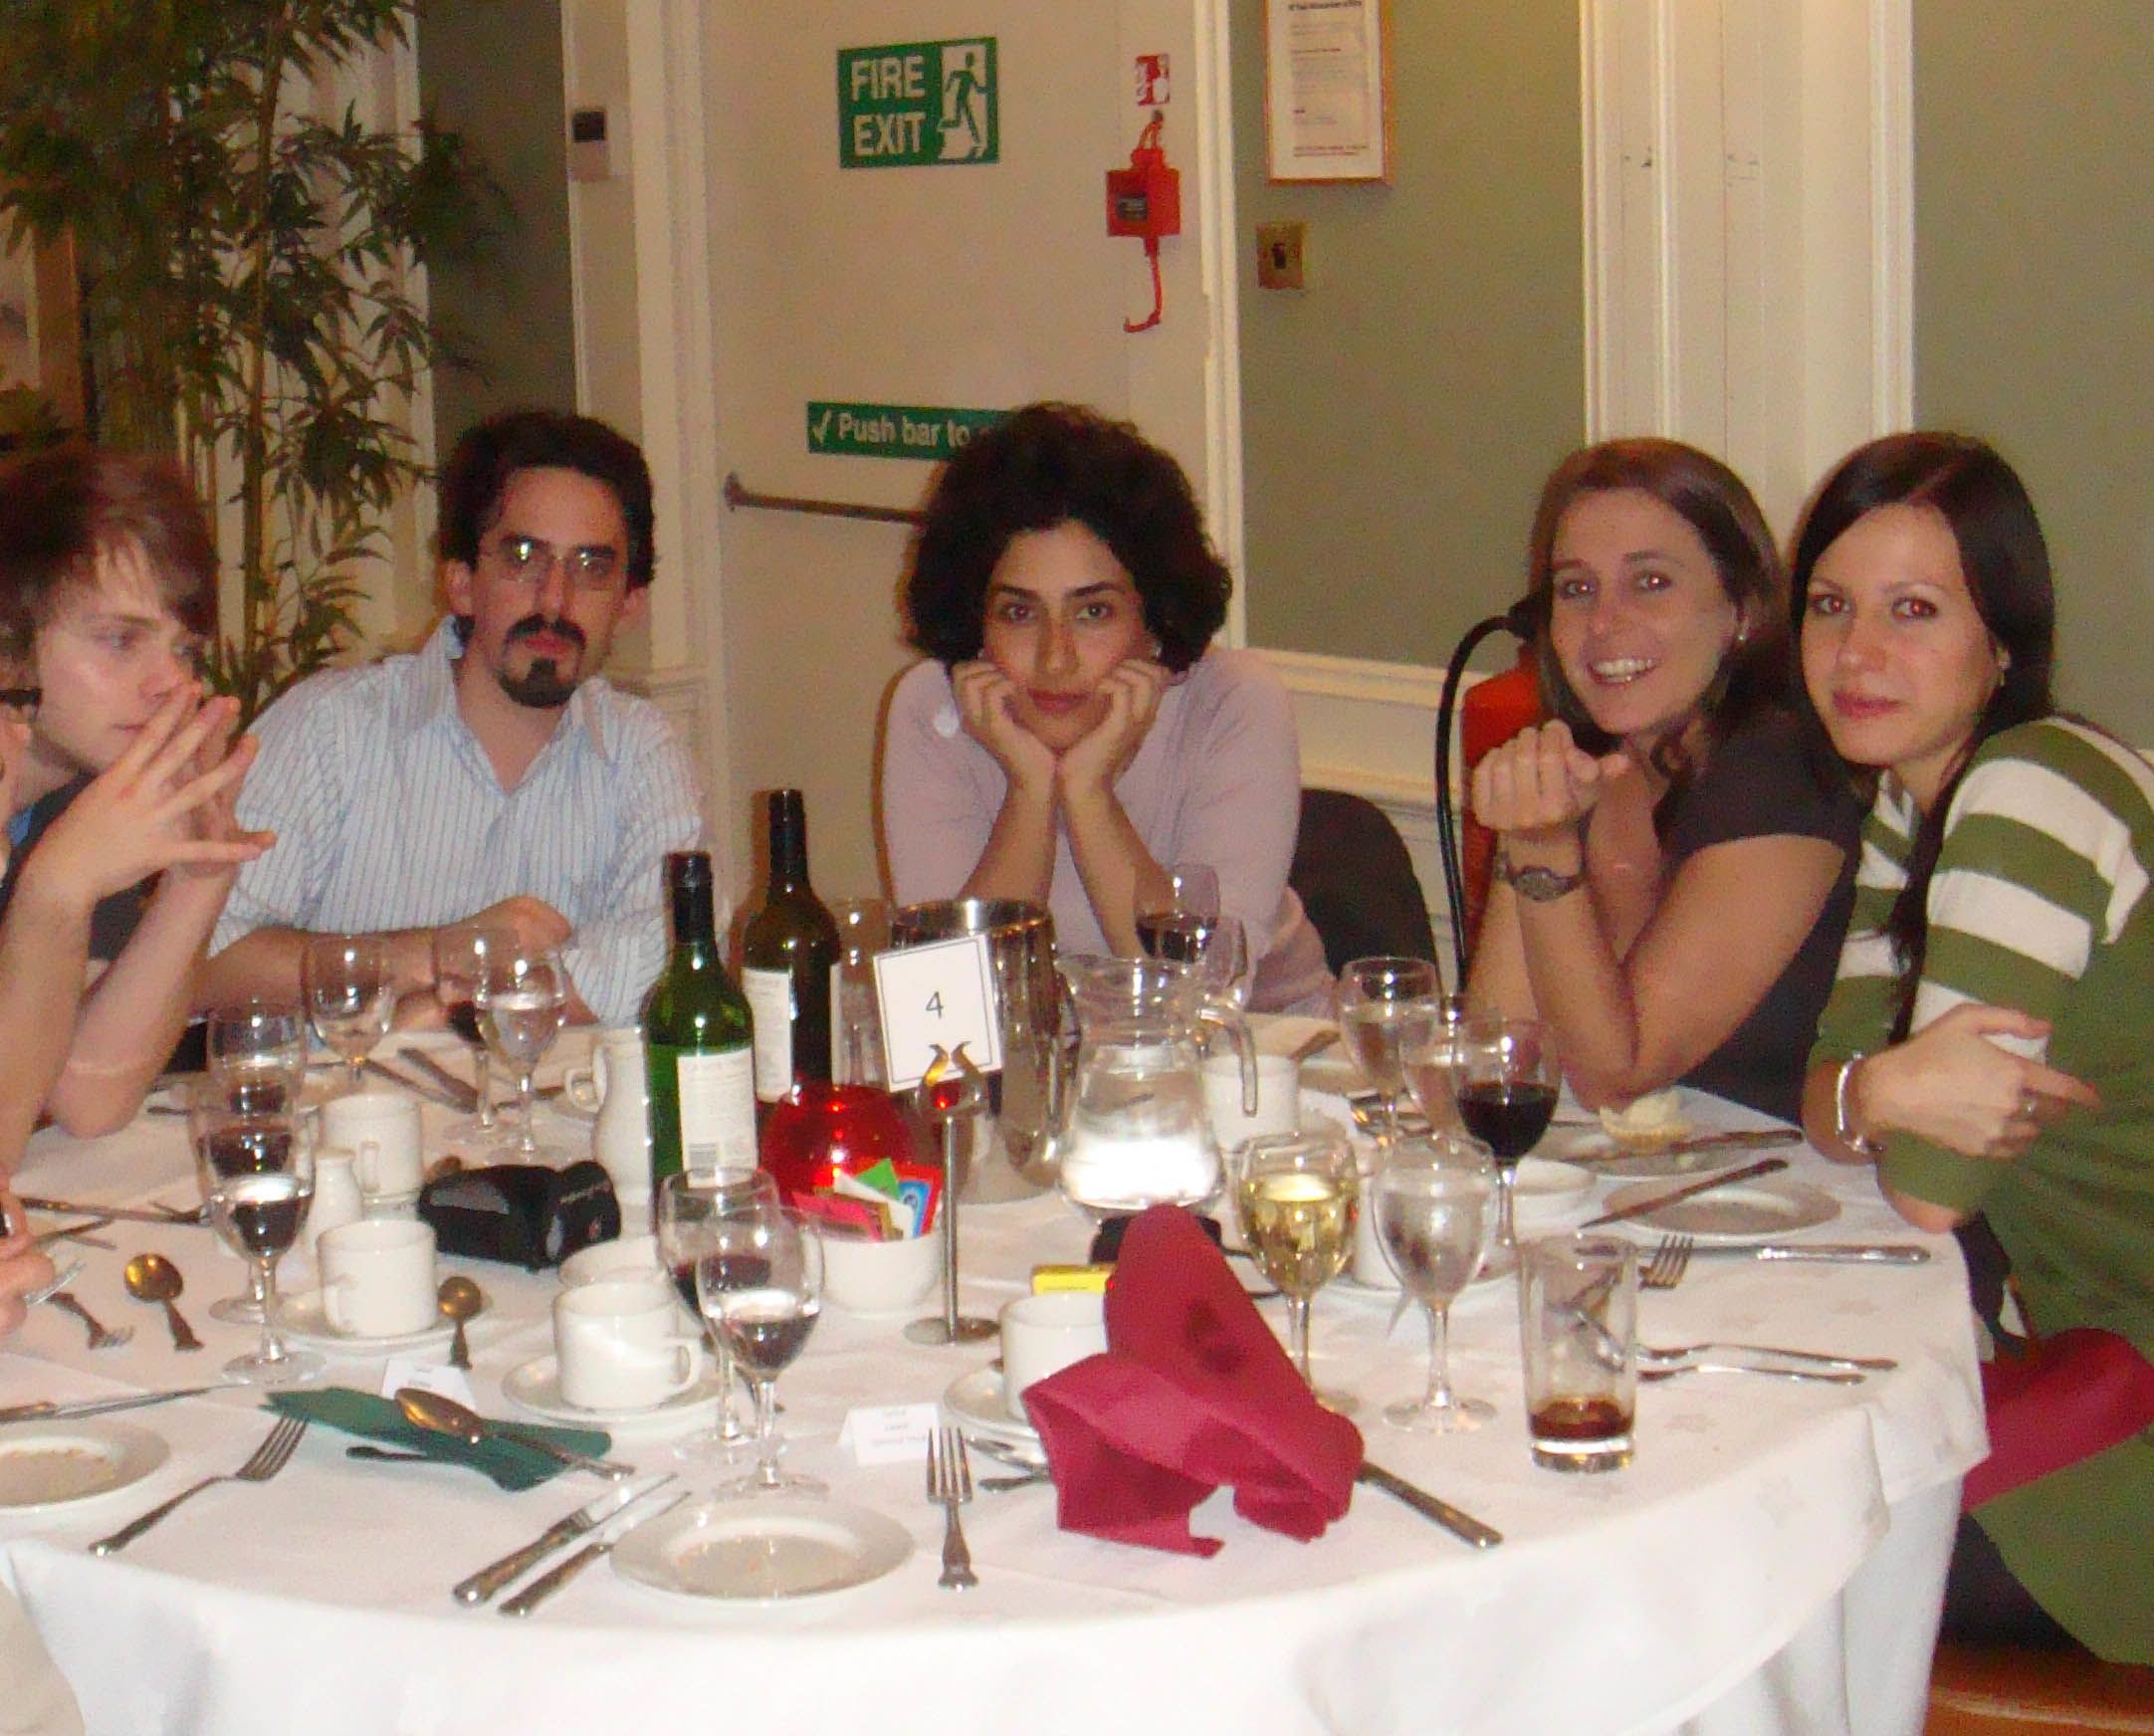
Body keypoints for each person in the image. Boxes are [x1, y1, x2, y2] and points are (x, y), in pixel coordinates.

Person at [1796, 432, 2148, 1662]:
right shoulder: (1913, 801)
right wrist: (1886, 1085)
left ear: (2001, 642)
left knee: (1770, 1577)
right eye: (1831, 606)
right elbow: (1830, 1096)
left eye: (1913, 611)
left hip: (2133, 1418)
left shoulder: (2027, 796)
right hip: (2086, 1346)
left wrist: (1879, 1097)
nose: (1856, 654)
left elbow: (1924, 1185)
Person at [202, 409, 704, 1027]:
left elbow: (674, 956)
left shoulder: (642, 752)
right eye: (524, 559)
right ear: (462, 582)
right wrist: (437, 956)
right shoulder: (328, 730)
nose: (555, 600)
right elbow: (204, 962)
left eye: (591, 570)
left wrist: (451, 1014)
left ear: (629, 604)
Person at [882, 401, 1330, 1013]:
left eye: (1093, 612)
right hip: (1044, 1080)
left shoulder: (1235, 701)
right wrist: (1031, 788)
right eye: (1019, 612)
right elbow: (948, 1007)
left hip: (1264, 1072)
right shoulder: (932, 710)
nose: (1055, 657)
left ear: (1153, 624)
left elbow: (1200, 1003)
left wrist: (1089, 791)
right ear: (976, 627)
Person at [1465, 438, 1860, 1122]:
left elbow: (1619, 1076)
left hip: (1788, 1204)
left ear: (1741, 611)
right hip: (1638, 1194)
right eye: (1577, 589)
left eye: (1650, 583)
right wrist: (1529, 833)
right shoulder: (1586, 768)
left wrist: (1543, 851)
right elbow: (1498, 1060)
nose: (1606, 624)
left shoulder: (1782, 772)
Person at [0, 446, 271, 1141]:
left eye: (184, 650)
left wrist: (198, 874)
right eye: (121, 641)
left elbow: (86, 1096)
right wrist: (55, 892)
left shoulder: (79, 790)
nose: (170, 686)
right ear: (10, 647)